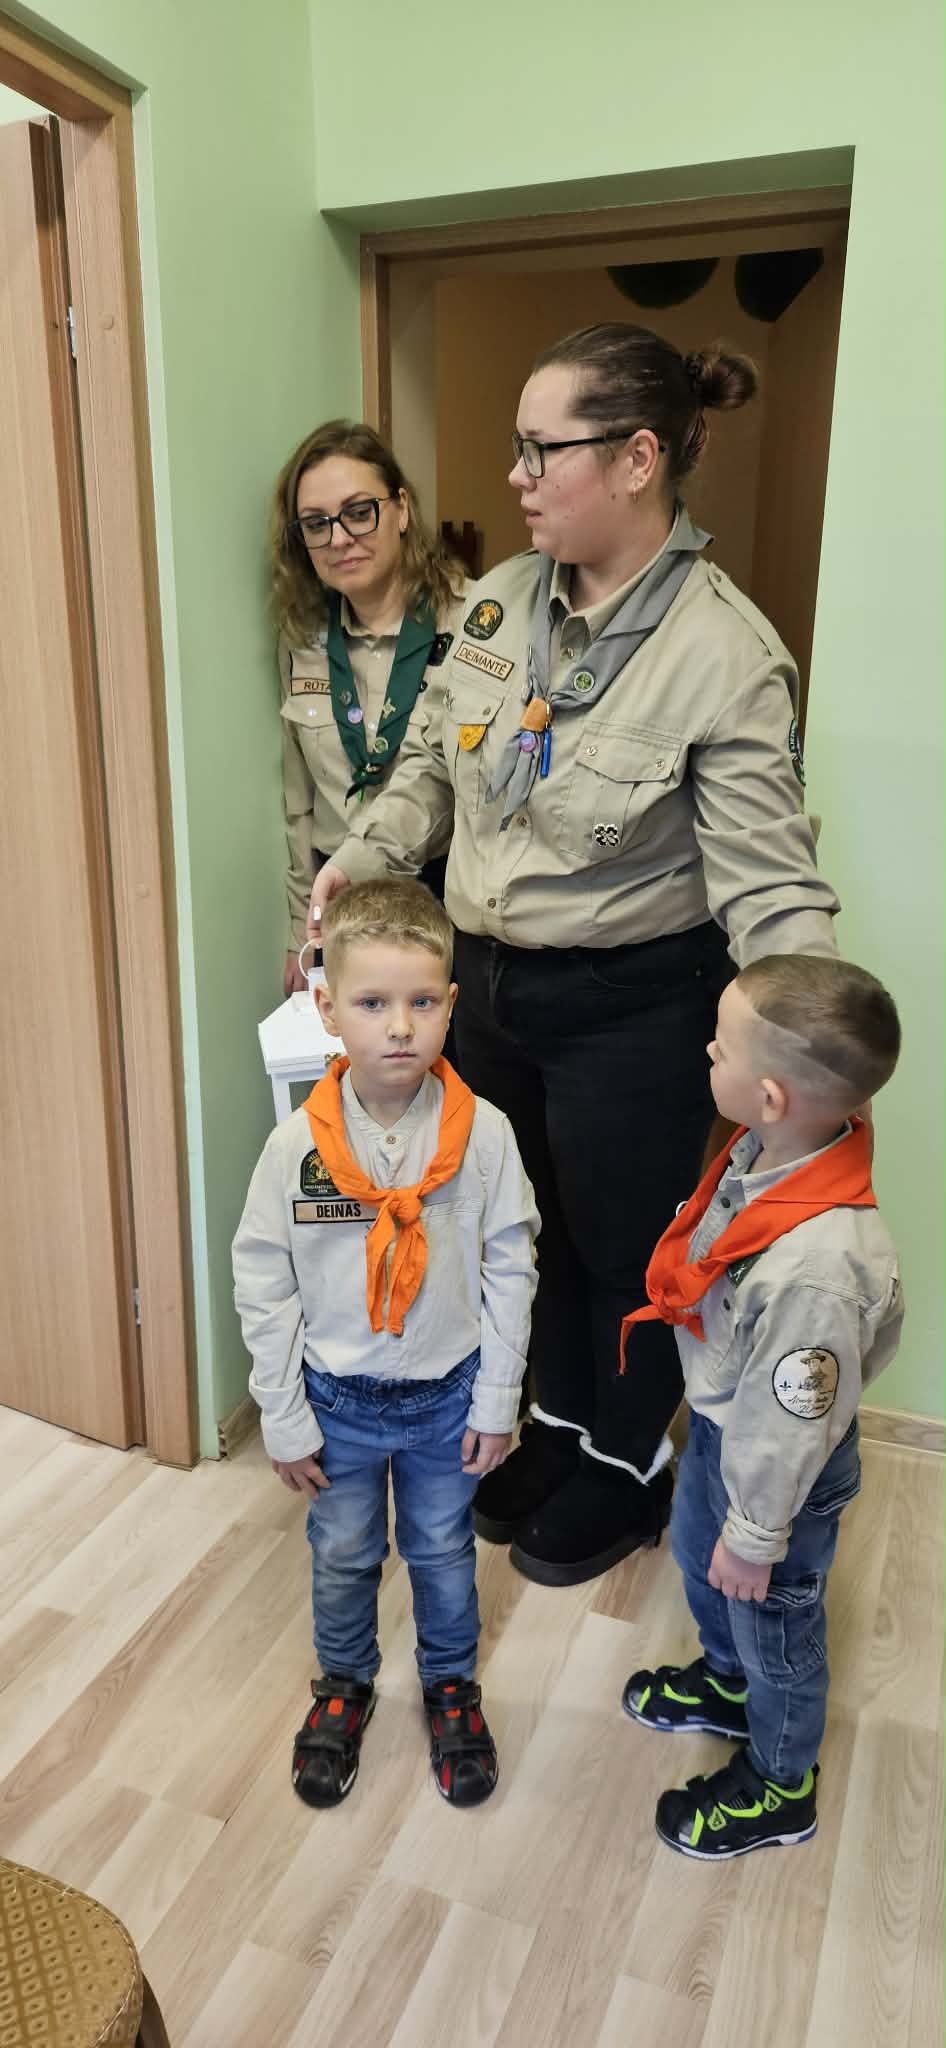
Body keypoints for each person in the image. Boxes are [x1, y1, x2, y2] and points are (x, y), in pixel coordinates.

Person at [307, 322, 841, 1589]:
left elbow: (770, 884)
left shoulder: (724, 652)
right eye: (519, 447)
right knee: (520, 1220)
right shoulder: (501, 595)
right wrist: (363, 857)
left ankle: (627, 1460)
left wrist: (808, 1062)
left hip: (631, 1003)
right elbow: (432, 760)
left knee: (626, 1248)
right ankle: (556, 1422)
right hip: (492, 986)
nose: (517, 475)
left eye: (542, 449)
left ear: (638, 458)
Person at [233, 878, 539, 1809]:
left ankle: (450, 1684)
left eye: (421, 1002)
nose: (399, 1027)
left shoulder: (485, 1137)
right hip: (337, 1403)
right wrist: (283, 1416)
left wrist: (498, 1400)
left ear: (451, 1005)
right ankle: (343, 1682)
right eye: (371, 1003)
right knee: (343, 1551)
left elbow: (511, 1270)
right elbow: (264, 1284)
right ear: (328, 1009)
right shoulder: (296, 1150)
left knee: (443, 1551)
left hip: (449, 1397)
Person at [622, 954, 902, 1858]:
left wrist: (756, 1533)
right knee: (700, 1560)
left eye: (721, 1046)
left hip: (779, 1472)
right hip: (726, 1430)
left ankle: (783, 1782)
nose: (708, 1052)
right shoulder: (769, 1149)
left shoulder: (817, 1272)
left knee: (774, 1617)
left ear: (772, 1096)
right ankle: (730, 1681)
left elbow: (791, 1427)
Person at [270, 420, 467, 994]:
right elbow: (299, 803)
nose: (339, 539)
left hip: (443, 895)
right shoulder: (303, 640)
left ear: (401, 509)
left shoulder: (477, 623)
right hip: (343, 899)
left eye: (360, 512)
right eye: (316, 524)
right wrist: (300, 929)